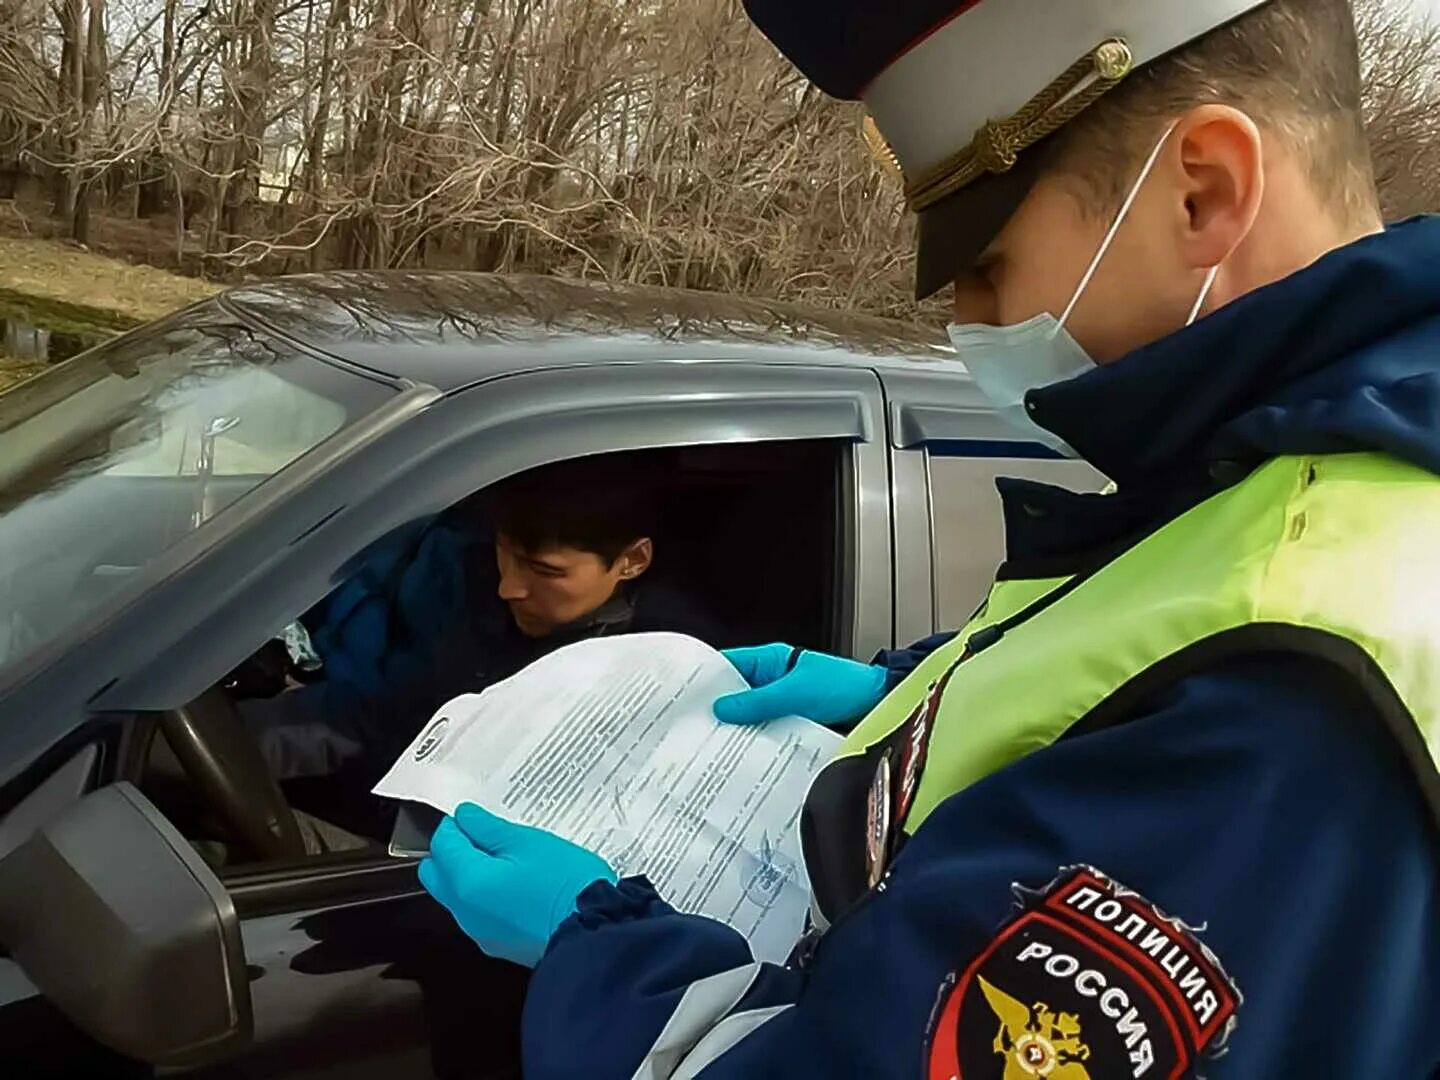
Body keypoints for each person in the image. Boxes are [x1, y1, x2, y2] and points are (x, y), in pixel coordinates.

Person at [418, 1, 1440, 1075]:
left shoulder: (1298, 683)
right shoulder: (1284, 471)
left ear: (1206, 190)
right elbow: (1126, 663)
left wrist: (604, 956)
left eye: (990, 264)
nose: (968, 324)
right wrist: (902, 696)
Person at [238, 453, 720, 792]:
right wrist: (235, 743)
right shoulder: (471, 582)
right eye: (505, 555)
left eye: (545, 571)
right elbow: (385, 713)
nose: (508, 587)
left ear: (632, 561)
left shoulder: (667, 675)